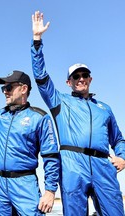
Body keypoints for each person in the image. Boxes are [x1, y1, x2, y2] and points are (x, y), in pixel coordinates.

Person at [31, 11, 125, 215]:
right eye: (76, 76)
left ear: (90, 79)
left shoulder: (104, 108)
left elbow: (118, 139)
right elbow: (40, 77)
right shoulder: (59, 102)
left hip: (103, 167)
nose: (80, 79)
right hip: (73, 167)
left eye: (84, 75)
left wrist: (122, 157)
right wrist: (37, 41)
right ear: (69, 82)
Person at [0, 58, 60, 215]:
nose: (5, 91)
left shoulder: (39, 118)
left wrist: (50, 191)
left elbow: (51, 156)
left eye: (9, 87)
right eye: (3, 88)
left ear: (24, 89)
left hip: (25, 184)